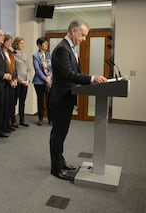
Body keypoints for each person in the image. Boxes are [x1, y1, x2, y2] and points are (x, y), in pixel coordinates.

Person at [48, 20, 107, 181]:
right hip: (60, 98)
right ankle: (56, 168)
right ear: (74, 31)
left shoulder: (70, 48)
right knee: (58, 135)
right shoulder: (62, 49)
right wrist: (92, 78)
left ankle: (60, 161)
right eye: (83, 35)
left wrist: (87, 80)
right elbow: (68, 75)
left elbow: (74, 74)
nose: (84, 39)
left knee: (62, 133)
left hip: (67, 98)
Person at [32, 37, 52, 126]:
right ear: (39, 45)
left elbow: (52, 68)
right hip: (39, 82)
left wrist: (50, 77)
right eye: (44, 44)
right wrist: (45, 79)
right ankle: (40, 118)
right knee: (40, 100)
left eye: (47, 43)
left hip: (49, 81)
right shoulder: (36, 55)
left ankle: (51, 119)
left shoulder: (49, 55)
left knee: (50, 101)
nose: (46, 45)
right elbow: (37, 69)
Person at [12, 36, 30, 127]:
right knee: (14, 102)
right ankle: (13, 120)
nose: (23, 45)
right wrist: (21, 81)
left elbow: (28, 69)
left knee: (22, 102)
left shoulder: (25, 54)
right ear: (16, 44)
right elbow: (13, 71)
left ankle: (22, 120)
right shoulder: (12, 55)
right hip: (18, 82)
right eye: (21, 43)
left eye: (23, 43)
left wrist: (28, 80)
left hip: (25, 82)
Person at [1, 33, 17, 132]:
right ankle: (4, 125)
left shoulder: (10, 53)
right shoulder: (0, 53)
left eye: (10, 41)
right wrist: (10, 80)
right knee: (4, 106)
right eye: (7, 41)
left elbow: (14, 68)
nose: (9, 43)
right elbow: (4, 68)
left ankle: (8, 123)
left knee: (11, 104)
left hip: (12, 81)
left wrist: (15, 79)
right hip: (5, 82)